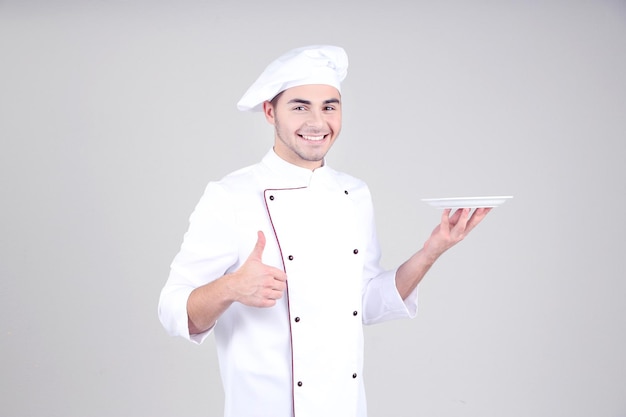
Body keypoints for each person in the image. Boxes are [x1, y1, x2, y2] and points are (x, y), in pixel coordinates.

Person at [158, 45, 490, 417]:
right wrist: (230, 287)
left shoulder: (355, 194)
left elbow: (364, 302)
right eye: (300, 107)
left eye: (329, 106)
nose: (318, 122)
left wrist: (433, 250)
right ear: (270, 112)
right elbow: (172, 310)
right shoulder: (230, 196)